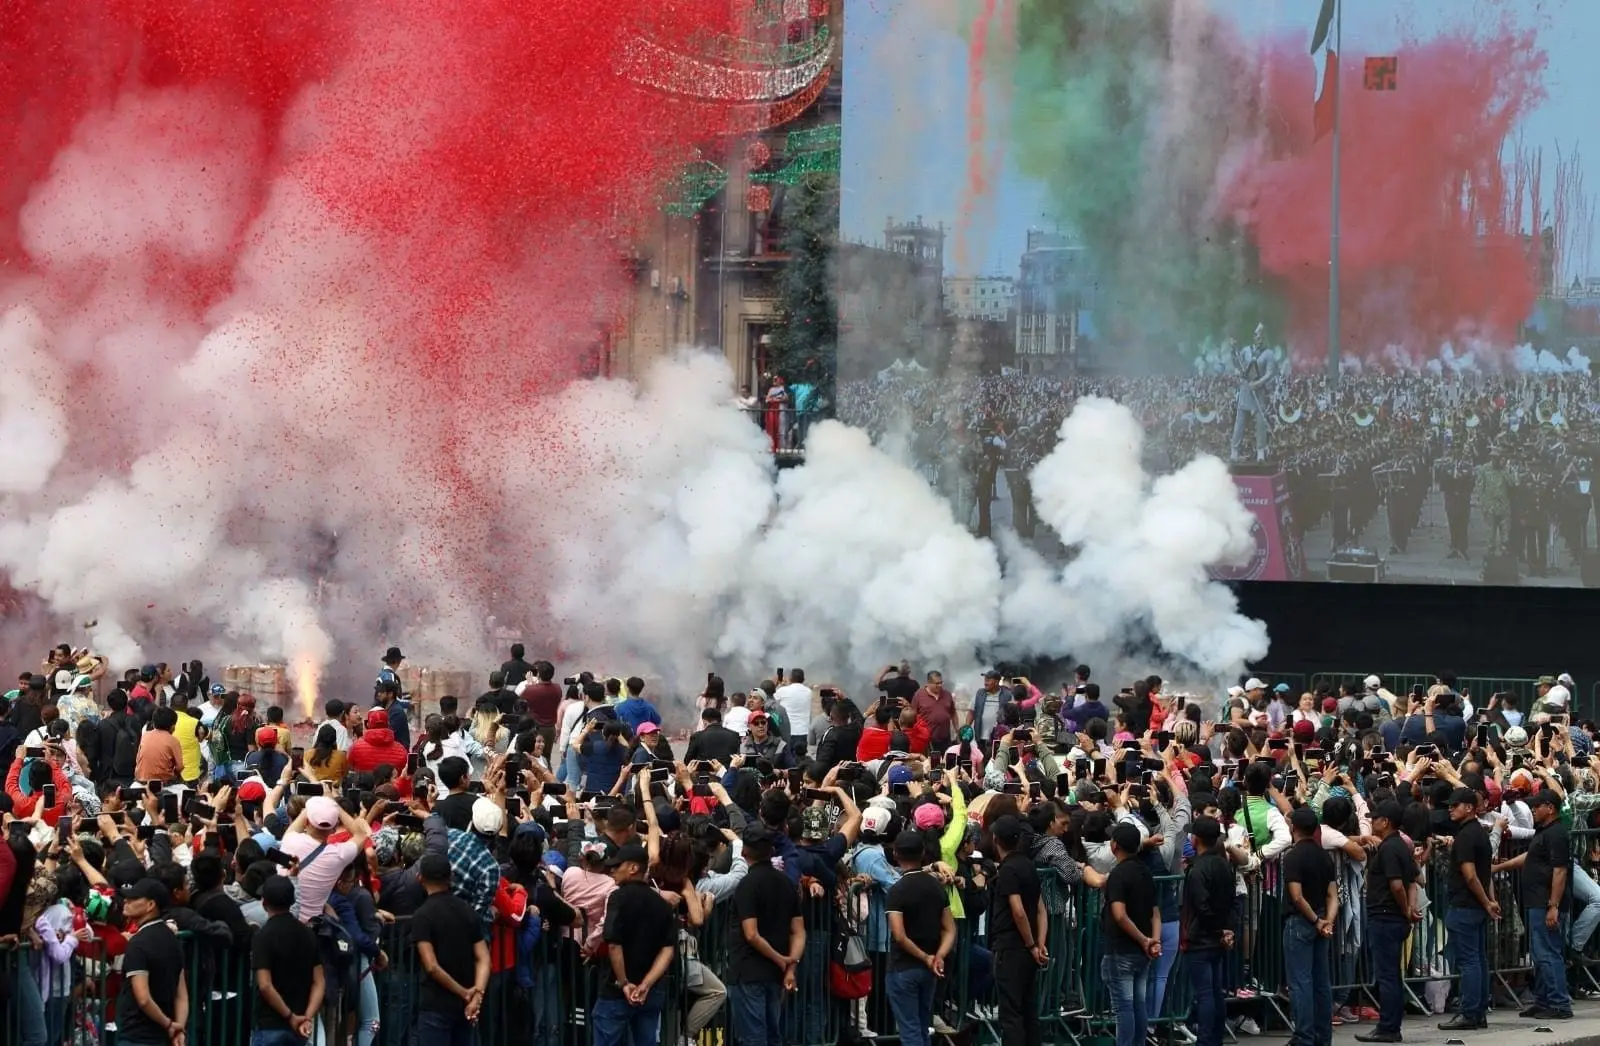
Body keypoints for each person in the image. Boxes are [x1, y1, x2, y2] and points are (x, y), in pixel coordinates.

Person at [1493, 789, 1572, 1020]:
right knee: (1539, 954)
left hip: (1546, 903)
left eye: (1537, 807)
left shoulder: (1556, 834)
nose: (1533, 811)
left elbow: (1560, 871)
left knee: (1548, 953)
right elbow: (1530, 856)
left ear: (1550, 808)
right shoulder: (1544, 832)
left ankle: (1559, 1003)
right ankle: (1544, 1000)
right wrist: (1500, 867)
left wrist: (1553, 905)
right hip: (1536, 902)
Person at [592, 843, 678, 1046]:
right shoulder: (662, 904)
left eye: (617, 865)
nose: (612, 870)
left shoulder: (618, 898)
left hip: (616, 992)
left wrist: (624, 983)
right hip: (651, 991)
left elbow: (613, 943)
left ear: (633, 868)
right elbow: (668, 949)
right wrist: (646, 984)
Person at [726, 824, 803, 1046]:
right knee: (772, 1035)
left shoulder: (747, 885)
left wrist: (783, 961)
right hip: (775, 974)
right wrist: (790, 966)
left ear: (744, 852)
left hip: (748, 972)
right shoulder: (787, 883)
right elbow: (799, 931)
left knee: (753, 1038)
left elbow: (751, 934)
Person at [1355, 801, 1422, 1044]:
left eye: (1375, 819)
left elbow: (1397, 885)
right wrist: (1410, 909)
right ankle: (1390, 1025)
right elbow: (1414, 879)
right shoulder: (1401, 846)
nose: (1372, 823)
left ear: (1386, 822)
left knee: (1387, 976)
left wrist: (1406, 910)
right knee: (1391, 974)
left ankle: (1388, 1027)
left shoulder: (1390, 848)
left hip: (1386, 916)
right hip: (1392, 917)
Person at [412, 853, 491, 1046]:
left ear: (420, 878)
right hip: (465, 1007)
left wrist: (464, 992)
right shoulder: (467, 910)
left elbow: (431, 966)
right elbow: (484, 958)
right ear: (451, 877)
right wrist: (476, 995)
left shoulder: (422, 916)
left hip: (436, 1005)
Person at [884, 830, 955, 1046]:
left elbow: (899, 935)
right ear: (923, 853)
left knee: (911, 1031)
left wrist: (927, 958)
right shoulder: (936, 887)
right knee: (922, 1028)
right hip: (929, 968)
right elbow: (950, 929)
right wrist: (938, 956)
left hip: (904, 967)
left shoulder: (897, 890)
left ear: (895, 854)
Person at [1441, 787, 1497, 1030]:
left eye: (1456, 805)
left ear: (1470, 808)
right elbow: (1486, 874)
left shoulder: (1466, 836)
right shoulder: (1479, 832)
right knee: (1478, 959)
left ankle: (1470, 1012)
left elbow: (1472, 876)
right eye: (1450, 805)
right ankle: (1478, 1011)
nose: (1451, 808)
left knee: (1470, 961)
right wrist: (1489, 901)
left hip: (1466, 905)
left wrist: (1487, 902)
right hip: (1475, 906)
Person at [989, 814, 1046, 1046]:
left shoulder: (1008, 870)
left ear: (995, 839)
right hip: (1029, 948)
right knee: (1029, 1010)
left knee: (1011, 1013)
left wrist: (1033, 945)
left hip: (1012, 947)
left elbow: (1018, 910)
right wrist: (1040, 944)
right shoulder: (1028, 865)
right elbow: (1041, 909)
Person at [1281, 806, 1336, 1046]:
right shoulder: (1325, 855)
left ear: (1294, 827)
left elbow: (1296, 896)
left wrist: (1316, 920)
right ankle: (1323, 1036)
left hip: (1301, 921)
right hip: (1321, 920)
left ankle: (1304, 1035)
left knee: (1300, 982)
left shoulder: (1293, 856)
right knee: (1321, 982)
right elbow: (1333, 895)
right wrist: (1327, 922)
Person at [1101, 822, 1159, 1046]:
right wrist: (1153, 940)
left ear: (1115, 845)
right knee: (1138, 1004)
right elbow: (1155, 912)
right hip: (1141, 950)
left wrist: (1146, 940)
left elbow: (1119, 914)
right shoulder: (1145, 871)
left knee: (1124, 1007)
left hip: (1121, 949)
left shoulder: (1118, 874)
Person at [251, 874, 325, 1046]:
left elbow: (265, 985)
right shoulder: (308, 934)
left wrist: (290, 1016)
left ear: (264, 903)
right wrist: (307, 1016)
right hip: (299, 1027)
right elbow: (319, 982)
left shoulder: (263, 936)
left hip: (270, 1024)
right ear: (292, 901)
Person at [1182, 816, 1235, 1046]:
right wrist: (1226, 930)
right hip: (1216, 936)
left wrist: (1217, 930)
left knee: (1205, 994)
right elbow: (1230, 900)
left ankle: (1205, 1041)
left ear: (1197, 839)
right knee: (1215, 992)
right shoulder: (1224, 864)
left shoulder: (1198, 870)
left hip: (1202, 939)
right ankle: (1215, 1040)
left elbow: (1202, 906)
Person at [116, 879, 189, 1046]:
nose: (126, 901)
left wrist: (169, 1025)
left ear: (150, 905)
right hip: (164, 1038)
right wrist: (179, 1028)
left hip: (137, 1036)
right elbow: (182, 995)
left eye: (134, 898)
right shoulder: (173, 939)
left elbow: (143, 998)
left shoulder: (138, 943)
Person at [277, 795, 371, 922]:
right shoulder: (338, 855)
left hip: (282, 919)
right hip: (311, 926)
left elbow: (295, 826)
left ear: (306, 822)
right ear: (334, 827)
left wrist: (310, 810)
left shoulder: (290, 840)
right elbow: (361, 835)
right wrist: (335, 807)